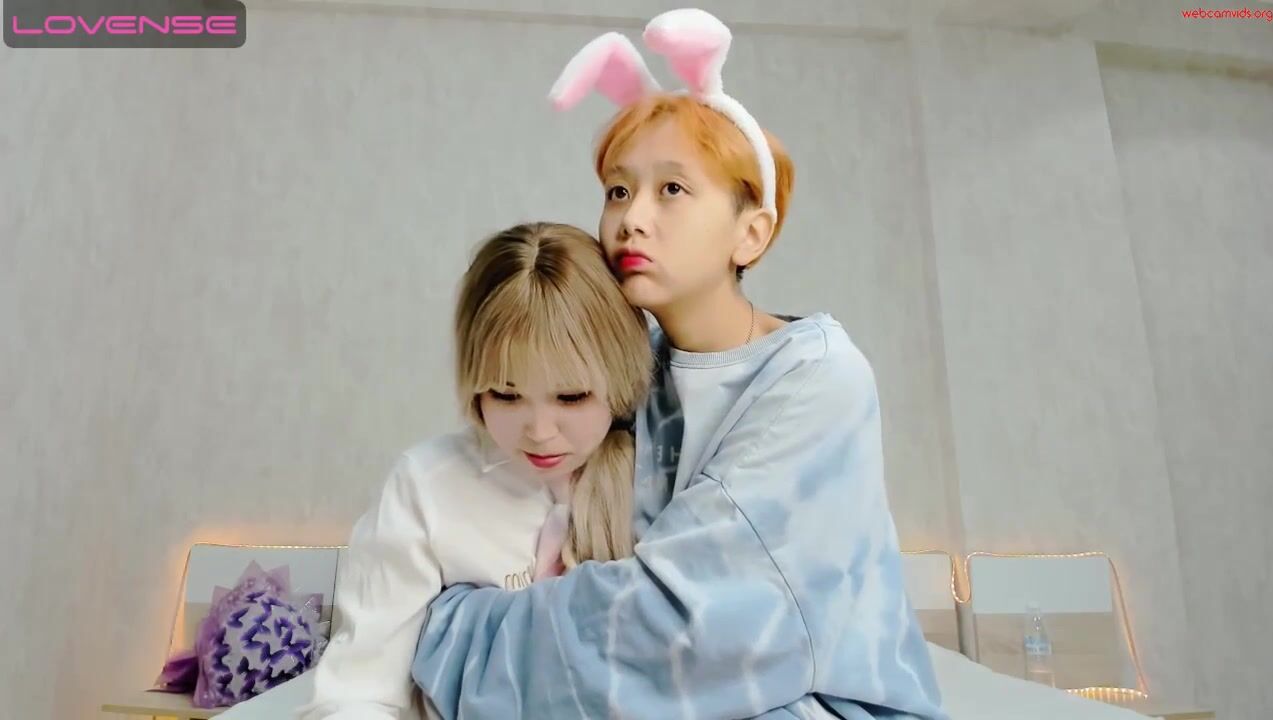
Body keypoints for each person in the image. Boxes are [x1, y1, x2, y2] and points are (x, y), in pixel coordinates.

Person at [411, 9, 948, 720]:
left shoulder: (818, 380)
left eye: (671, 189)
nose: (632, 218)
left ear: (751, 233)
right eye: (618, 190)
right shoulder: (631, 376)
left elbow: (683, 627)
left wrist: (450, 629)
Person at [286, 222, 652, 719]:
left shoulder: (661, 478)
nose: (540, 431)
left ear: (621, 374)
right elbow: (360, 689)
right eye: (506, 394)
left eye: (571, 396)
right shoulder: (428, 487)